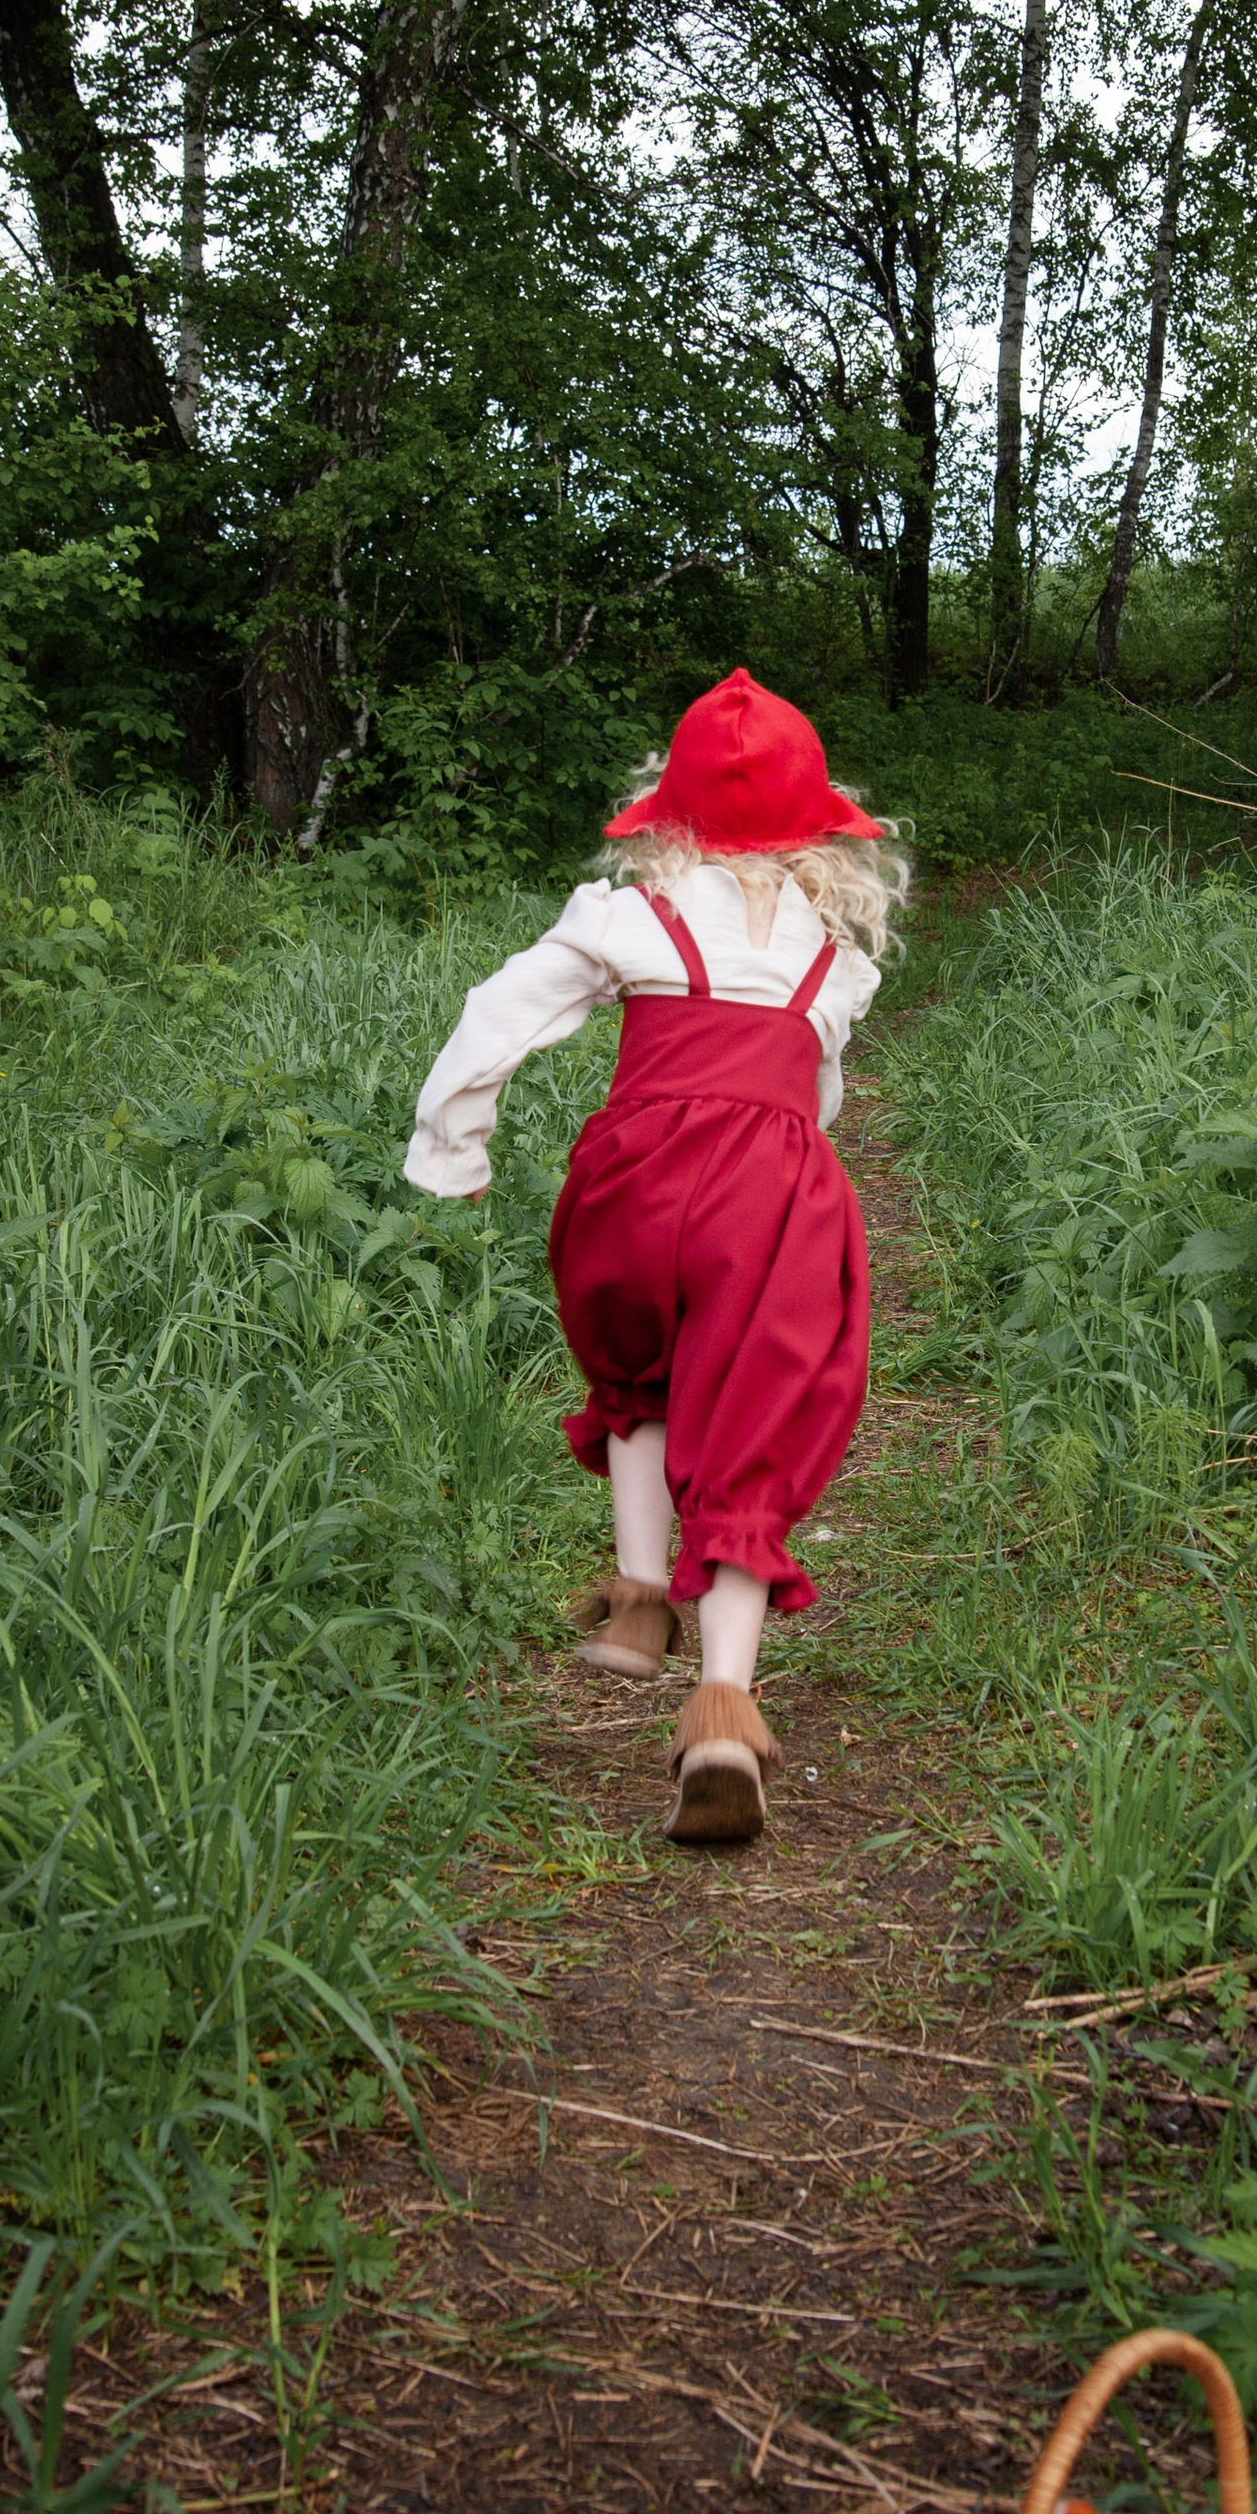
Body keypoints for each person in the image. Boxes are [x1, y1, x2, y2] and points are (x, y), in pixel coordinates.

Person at [405, 671, 909, 1844]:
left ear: (666, 816)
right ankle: (724, 1710)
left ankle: (636, 1605)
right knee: (749, 1425)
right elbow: (812, 1099)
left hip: (634, 1186)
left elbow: (498, 1013)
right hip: (772, 1205)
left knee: (638, 1372)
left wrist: (453, 1147)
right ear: (823, 830)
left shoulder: (626, 916)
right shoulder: (836, 965)